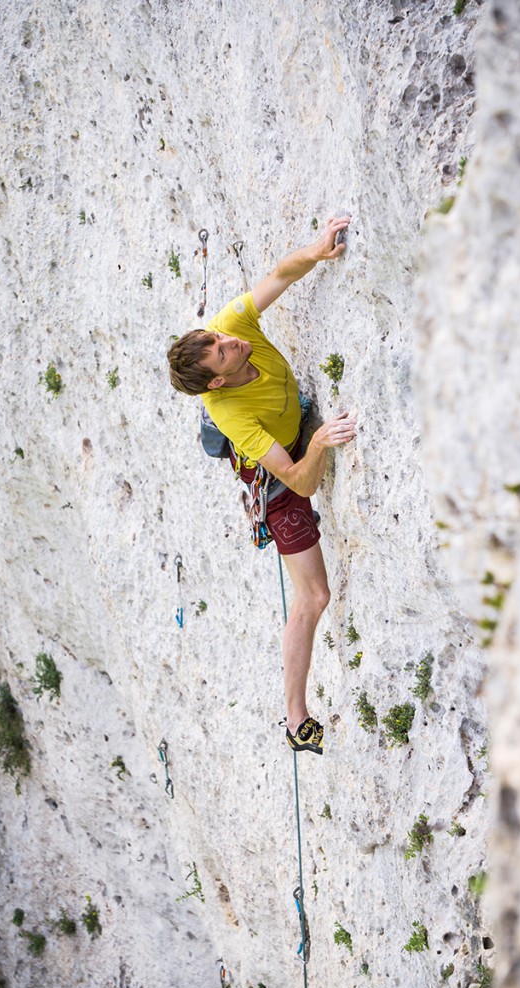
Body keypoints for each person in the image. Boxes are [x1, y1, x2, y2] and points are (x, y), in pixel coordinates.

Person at [167, 215, 356, 754]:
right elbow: (298, 479)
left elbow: (280, 274)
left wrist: (315, 252)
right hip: (274, 479)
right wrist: (318, 440)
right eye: (221, 349)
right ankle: (296, 720)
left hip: (292, 431)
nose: (229, 339)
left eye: (220, 338)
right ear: (218, 380)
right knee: (314, 595)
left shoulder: (232, 329)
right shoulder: (230, 413)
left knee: (312, 590)